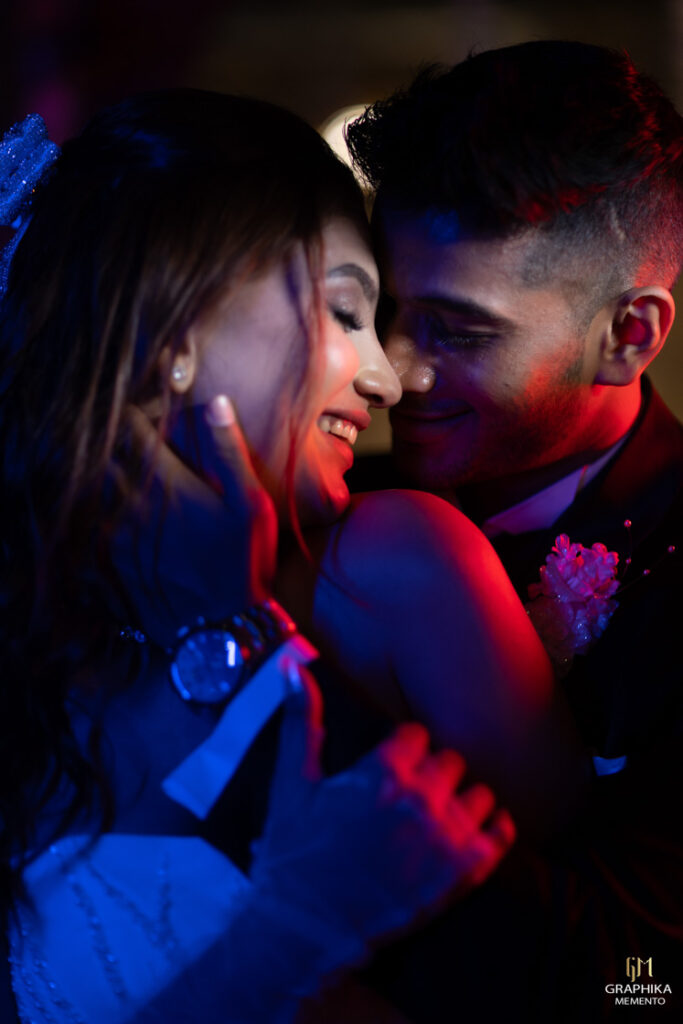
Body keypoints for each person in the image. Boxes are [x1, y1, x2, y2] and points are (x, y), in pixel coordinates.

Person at [0, 95, 521, 1024]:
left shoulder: (390, 564)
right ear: (175, 337)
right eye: (346, 312)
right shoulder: (26, 629)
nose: (387, 378)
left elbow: (596, 973)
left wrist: (236, 628)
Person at [344, 40, 683, 1019]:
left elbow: (641, 980)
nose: (387, 371)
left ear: (626, 334)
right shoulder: (334, 501)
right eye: (381, 307)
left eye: (457, 331)